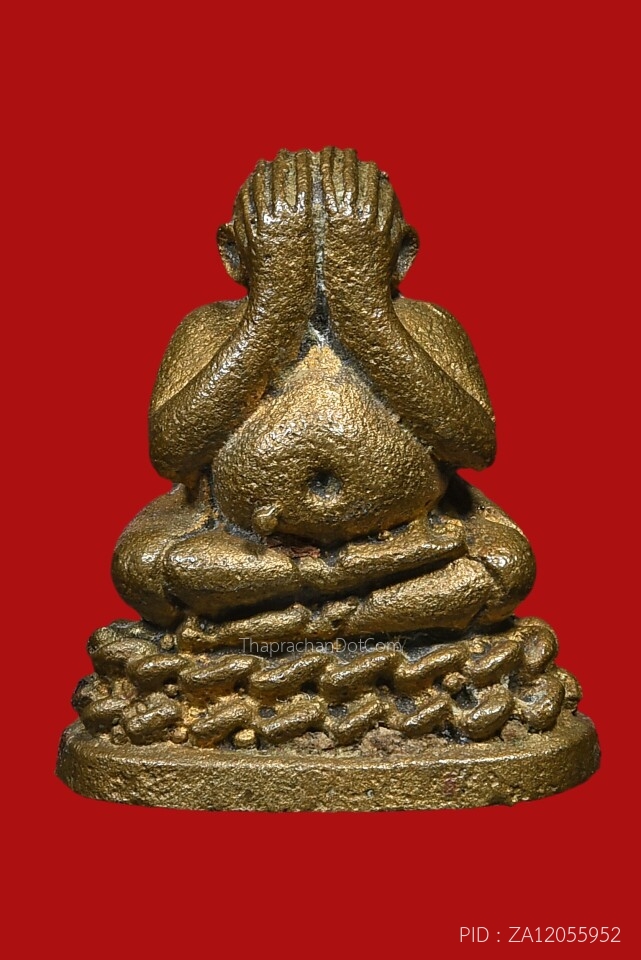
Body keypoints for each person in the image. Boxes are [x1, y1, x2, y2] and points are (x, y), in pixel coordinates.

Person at [112, 148, 535, 643]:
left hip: (407, 534)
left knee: (506, 563)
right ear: (234, 254)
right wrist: (272, 313)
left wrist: (365, 314)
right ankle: (361, 604)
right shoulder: (210, 326)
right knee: (142, 567)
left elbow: (473, 447)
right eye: (288, 253)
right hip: (259, 550)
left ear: (402, 255)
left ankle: (274, 622)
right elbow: (173, 453)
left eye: (345, 252)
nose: (317, 269)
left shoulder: (426, 322)